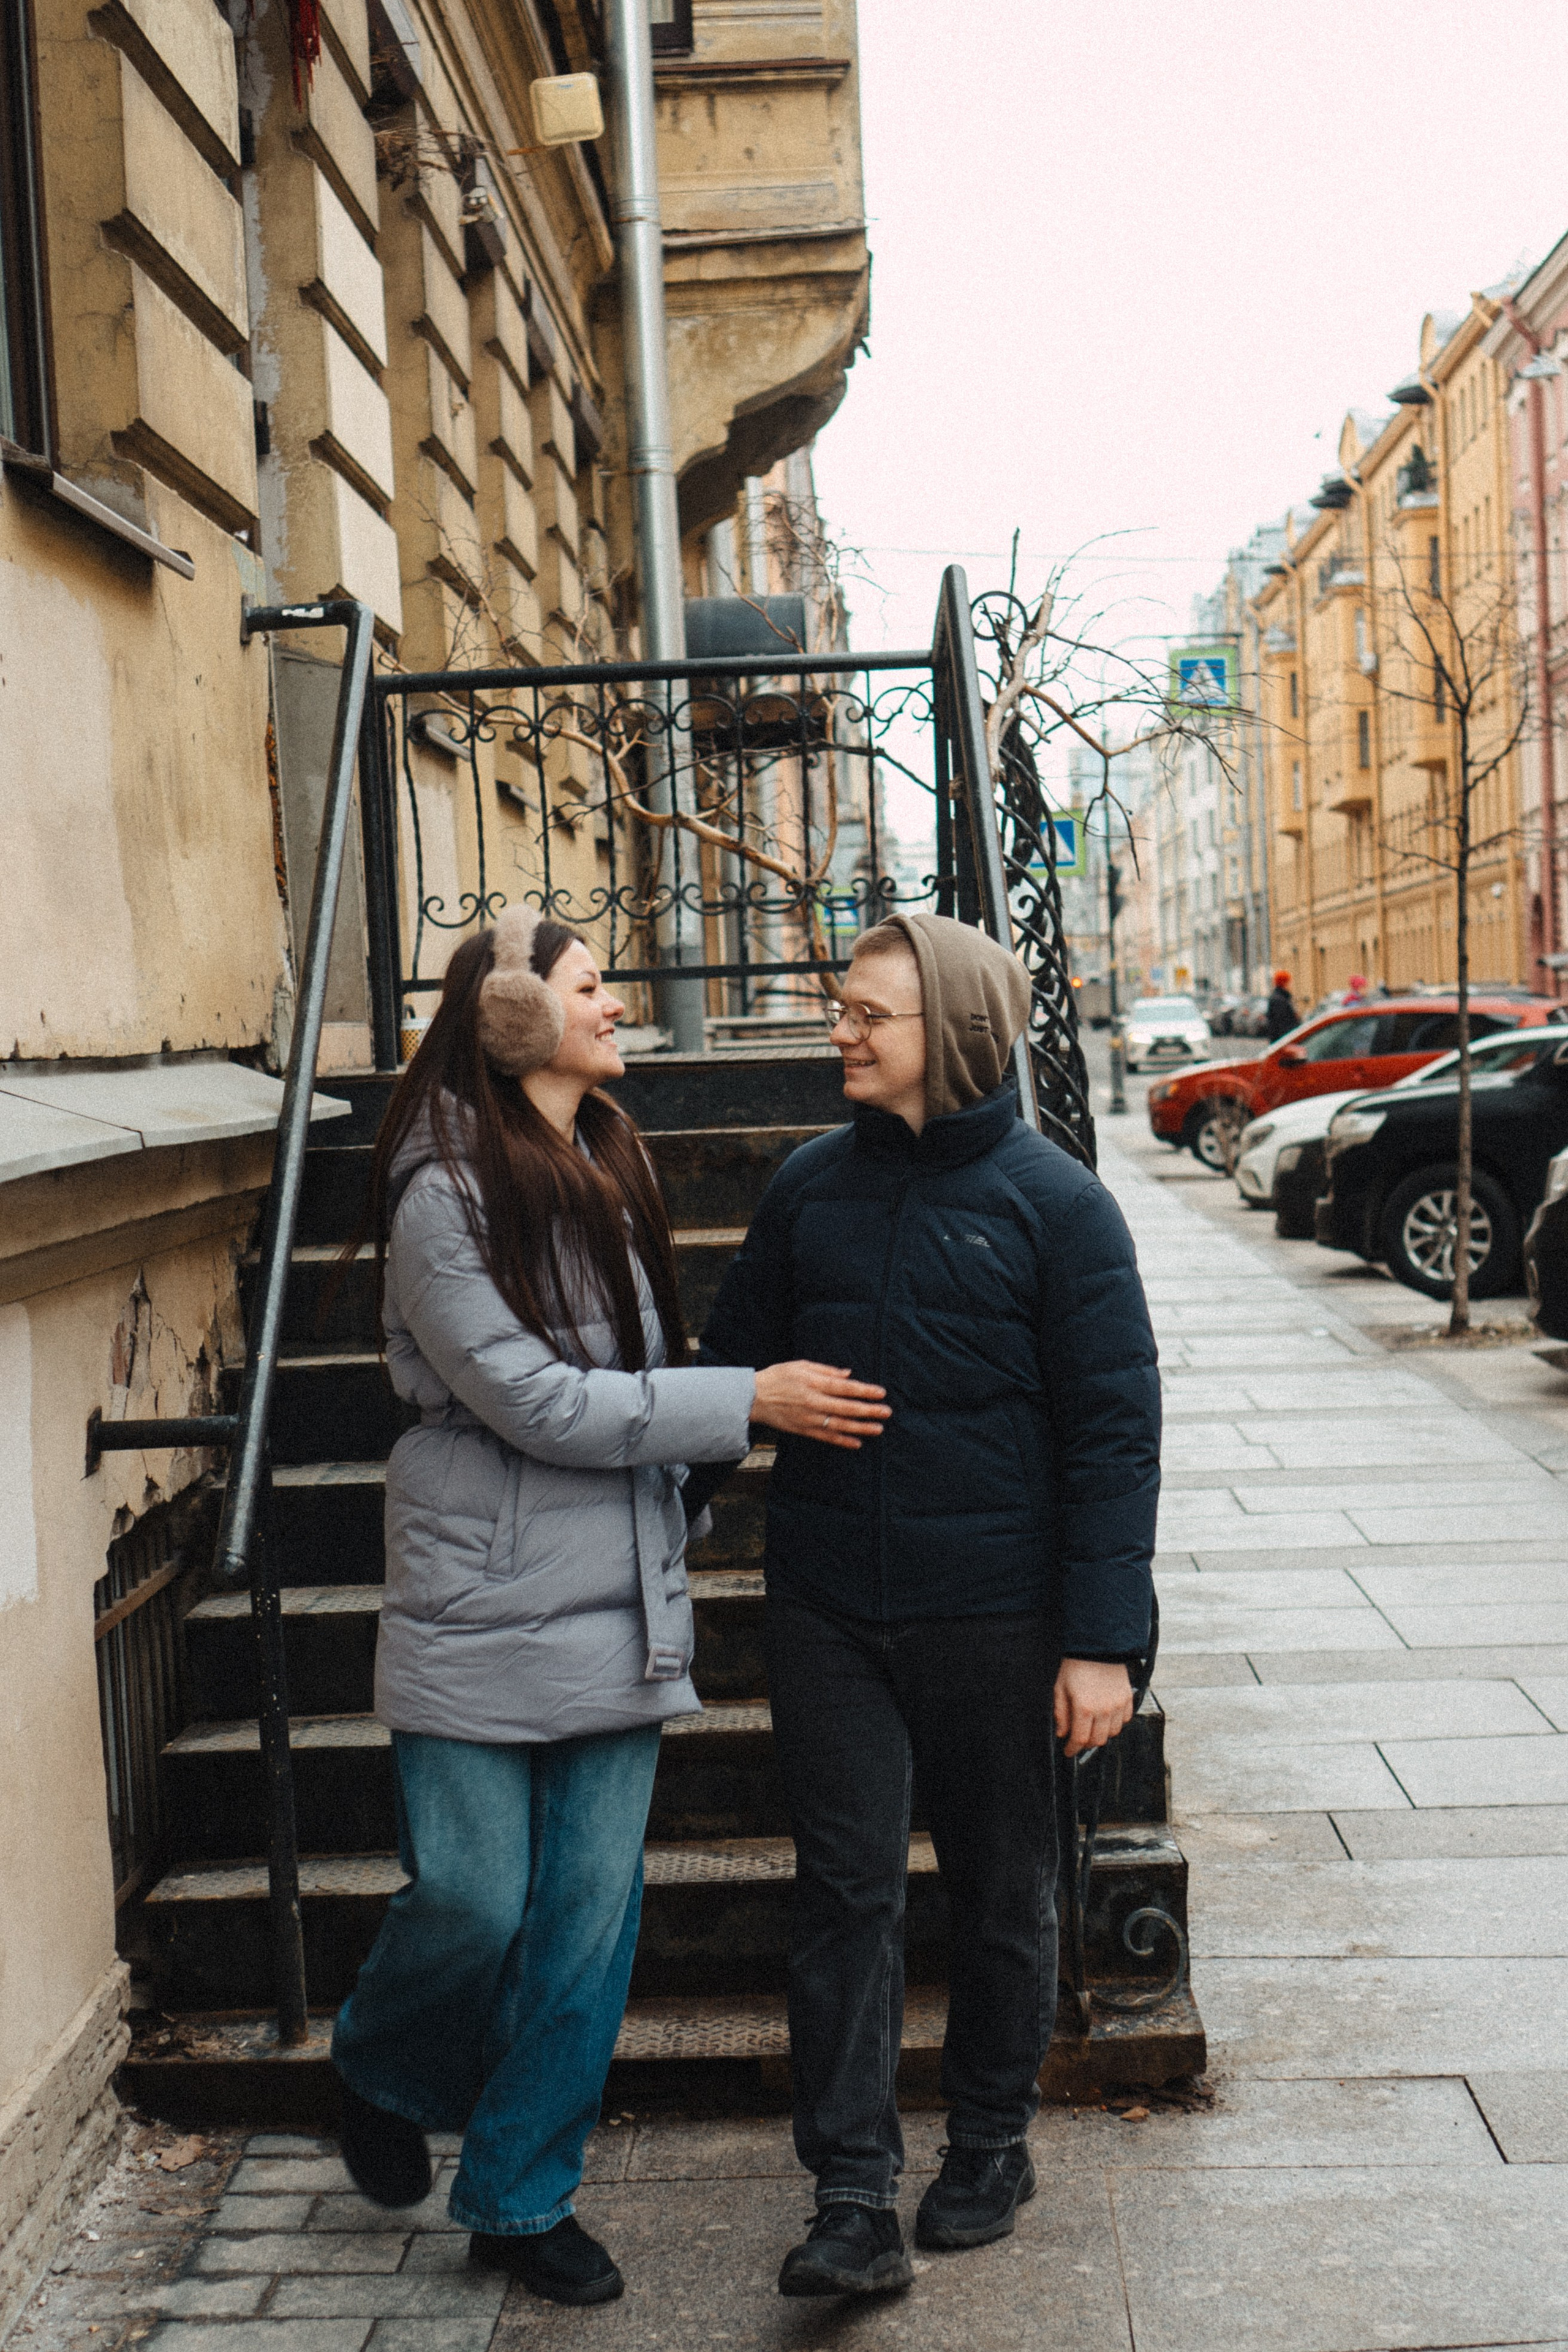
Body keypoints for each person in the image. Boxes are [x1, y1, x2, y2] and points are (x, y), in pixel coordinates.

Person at [329, 906, 889, 2307]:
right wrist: (739, 1403)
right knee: (468, 1896)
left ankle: (522, 2193)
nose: (619, 1005)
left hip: (617, 1594)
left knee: (585, 1924)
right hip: (477, 1599)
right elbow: (526, 1396)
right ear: (513, 1016)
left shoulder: (607, 1155)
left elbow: (628, 1376)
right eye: (592, 986)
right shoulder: (439, 1191)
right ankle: (384, 2061)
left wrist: (692, 1471)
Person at [688, 913, 1160, 2297]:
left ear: (947, 1035)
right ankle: (847, 2194)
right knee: (842, 1893)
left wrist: (1098, 1639)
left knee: (1001, 1887)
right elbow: (728, 1363)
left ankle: (988, 2141)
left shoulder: (1054, 1204)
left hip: (999, 1613)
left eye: (865, 1014)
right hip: (830, 1600)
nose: (838, 1029)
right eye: (841, 1007)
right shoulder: (806, 1189)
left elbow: (1112, 1432)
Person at [1265, 970, 1298, 1041]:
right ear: (1284, 983)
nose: (1291, 985)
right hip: (1283, 1041)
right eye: (1289, 982)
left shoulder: (1281, 998)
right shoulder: (1280, 1000)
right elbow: (1282, 1024)